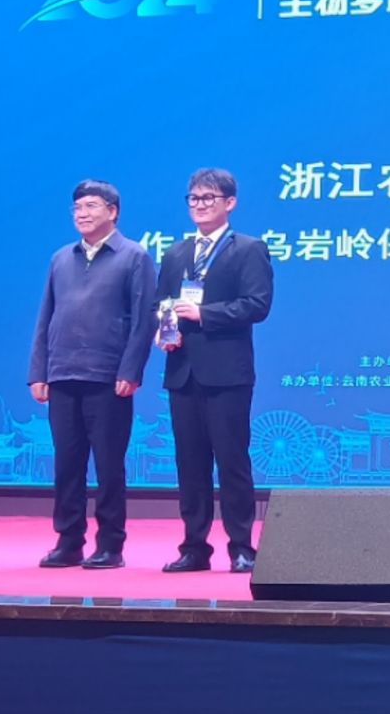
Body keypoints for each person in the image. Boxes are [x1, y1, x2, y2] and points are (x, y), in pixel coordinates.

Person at [28, 179, 156, 569]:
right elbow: (46, 316)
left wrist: (131, 369)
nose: (82, 214)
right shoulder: (60, 259)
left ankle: (110, 545)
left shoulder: (134, 257)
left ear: (113, 212)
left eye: (91, 206)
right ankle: (68, 541)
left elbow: (144, 320)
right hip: (63, 373)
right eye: (77, 207)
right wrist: (38, 371)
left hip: (108, 378)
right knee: (67, 464)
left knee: (108, 465)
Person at [157, 167, 274, 573]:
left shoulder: (249, 249)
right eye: (194, 198)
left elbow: (257, 305)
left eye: (208, 198)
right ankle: (194, 547)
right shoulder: (175, 253)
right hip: (182, 370)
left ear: (230, 203)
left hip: (227, 372)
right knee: (189, 464)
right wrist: (165, 328)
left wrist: (204, 314)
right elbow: (161, 302)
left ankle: (241, 546)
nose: (200, 205)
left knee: (231, 461)